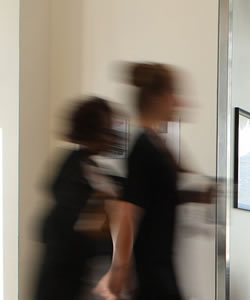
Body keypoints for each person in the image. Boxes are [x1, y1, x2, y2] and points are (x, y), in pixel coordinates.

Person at [97, 63, 188, 300]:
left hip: (162, 269)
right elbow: (128, 212)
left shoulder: (155, 146)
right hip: (153, 274)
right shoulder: (143, 149)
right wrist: (119, 269)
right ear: (158, 97)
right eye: (172, 94)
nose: (177, 102)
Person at [35, 97, 121, 300]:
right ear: (90, 132)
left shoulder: (93, 169)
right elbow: (84, 226)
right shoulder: (72, 172)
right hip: (62, 282)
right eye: (106, 131)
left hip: (80, 276)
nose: (112, 138)